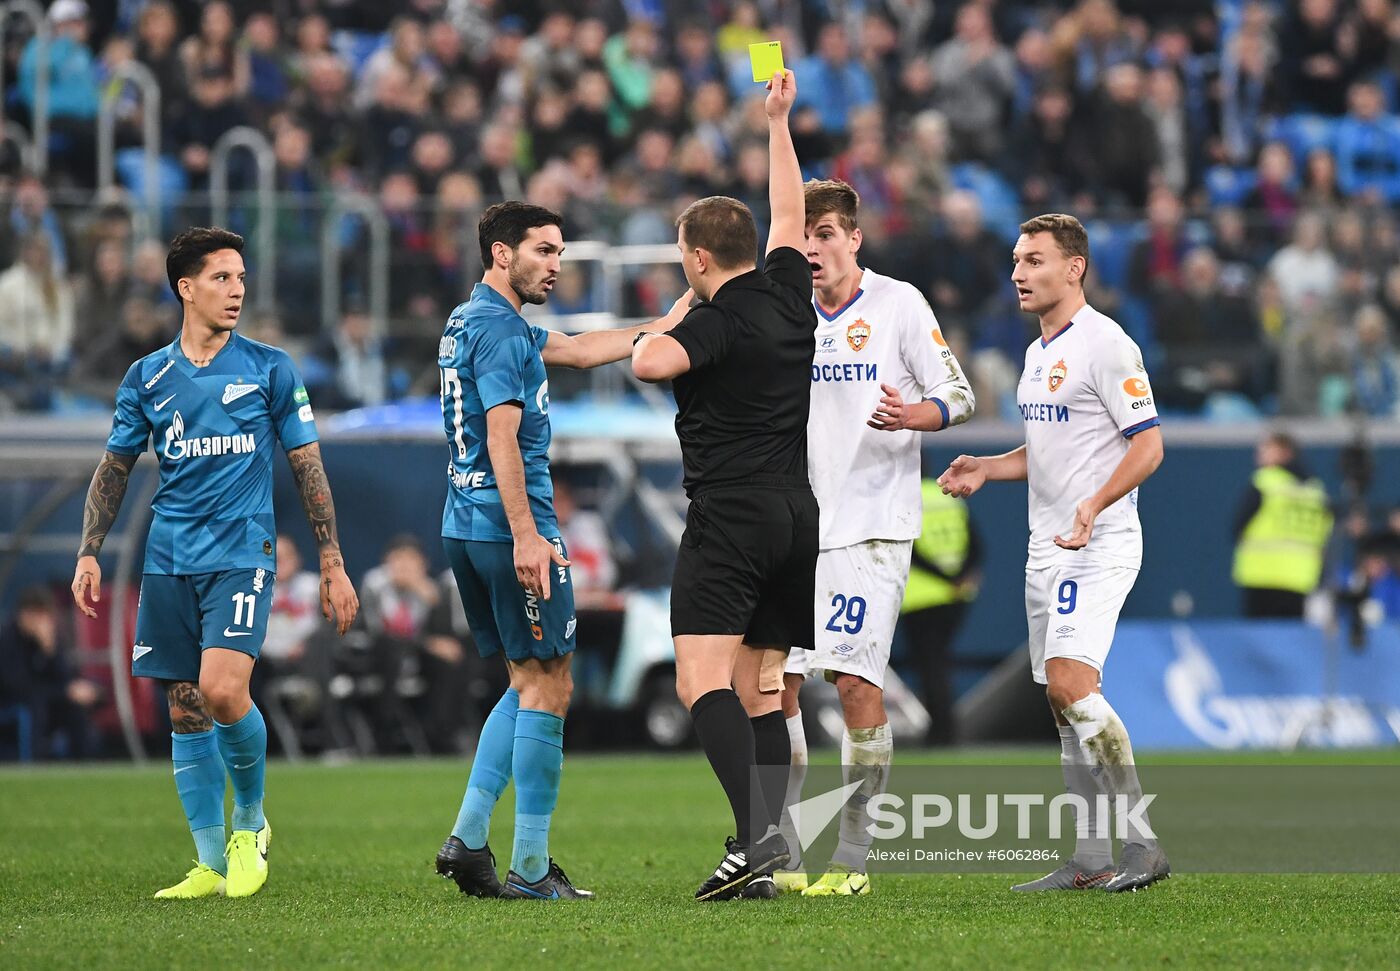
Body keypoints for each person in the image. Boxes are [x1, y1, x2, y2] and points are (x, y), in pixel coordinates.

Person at [70, 227, 360, 900]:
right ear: (186, 288)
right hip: (170, 558)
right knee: (184, 705)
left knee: (224, 690)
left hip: (242, 553)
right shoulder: (148, 377)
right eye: (223, 278)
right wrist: (89, 549)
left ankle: (250, 823)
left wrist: (331, 558)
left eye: (240, 278)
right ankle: (207, 861)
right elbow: (113, 469)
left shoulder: (270, 367)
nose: (237, 290)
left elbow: (307, 465)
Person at [434, 201, 692, 901]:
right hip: (510, 526)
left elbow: (579, 349)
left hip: (466, 521)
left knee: (528, 680)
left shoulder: (474, 321)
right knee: (552, 683)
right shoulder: (503, 335)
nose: (556, 265)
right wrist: (527, 533)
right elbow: (502, 437)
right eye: (543, 251)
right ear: (500, 254)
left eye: (560, 253)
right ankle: (531, 866)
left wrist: (664, 324)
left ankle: (467, 838)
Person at [938, 213, 1170, 893]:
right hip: (1049, 546)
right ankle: (1091, 856)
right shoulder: (1039, 352)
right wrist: (989, 466)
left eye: (1035, 260)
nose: (1018, 272)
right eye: (1015, 260)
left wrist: (1096, 503)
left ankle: (1142, 841)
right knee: (1060, 703)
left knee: (1073, 685)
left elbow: (1148, 446)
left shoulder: (1107, 345)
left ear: (1075, 268)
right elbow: (1047, 452)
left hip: (1098, 544)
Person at [631, 69, 814, 902]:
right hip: (793, 511)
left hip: (730, 514)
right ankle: (764, 855)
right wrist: (778, 124)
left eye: (685, 260)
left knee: (699, 681)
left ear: (699, 258)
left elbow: (647, 361)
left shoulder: (712, 317)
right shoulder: (787, 294)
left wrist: (677, 310)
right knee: (762, 689)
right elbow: (791, 213)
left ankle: (759, 839)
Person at [775, 178, 976, 897]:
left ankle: (853, 860)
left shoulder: (898, 304)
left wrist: (915, 414)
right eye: (803, 233)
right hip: (793, 528)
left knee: (856, 685)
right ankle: (782, 852)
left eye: (826, 233)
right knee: (776, 689)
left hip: (870, 530)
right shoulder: (783, 309)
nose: (813, 247)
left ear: (854, 238)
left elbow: (960, 393)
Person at [901, 480, 981, 747]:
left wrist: (942, 577)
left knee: (930, 665)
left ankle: (941, 732)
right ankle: (945, 729)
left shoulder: (906, 496)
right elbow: (975, 541)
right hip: (957, 595)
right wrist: (959, 576)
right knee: (940, 662)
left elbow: (910, 548)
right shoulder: (948, 496)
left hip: (922, 596)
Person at [1231, 431, 1334, 618]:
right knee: (1289, 640)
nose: (1259, 454)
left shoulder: (1265, 481)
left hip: (1261, 576)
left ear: (1285, 452)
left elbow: (1237, 526)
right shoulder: (1315, 491)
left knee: (1260, 641)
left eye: (1267, 449)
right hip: (1300, 578)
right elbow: (1325, 533)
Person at [0, 585, 101, 759]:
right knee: (33, 708)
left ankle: (85, 765)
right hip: (12, 701)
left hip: (45, 697)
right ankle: (33, 765)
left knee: (76, 708)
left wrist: (50, 650)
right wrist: (64, 691)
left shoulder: (50, 640)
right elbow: (16, 685)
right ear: (24, 614)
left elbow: (64, 676)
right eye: (38, 615)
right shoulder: (8, 639)